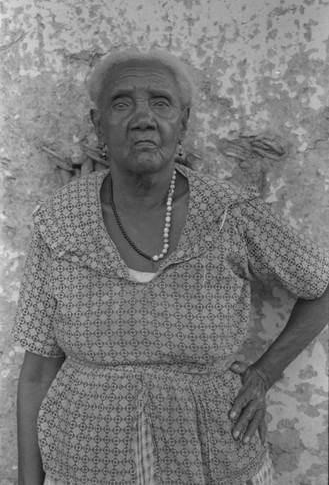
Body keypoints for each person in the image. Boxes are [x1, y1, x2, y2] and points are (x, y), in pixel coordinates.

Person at [14, 48, 329, 485]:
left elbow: (321, 286)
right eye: (122, 103)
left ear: (183, 121)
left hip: (213, 462)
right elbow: (36, 375)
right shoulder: (58, 222)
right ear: (97, 123)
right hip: (85, 465)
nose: (143, 118)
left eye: (161, 102)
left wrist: (264, 374)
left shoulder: (230, 214)